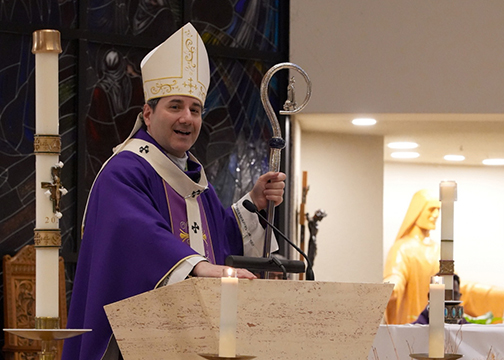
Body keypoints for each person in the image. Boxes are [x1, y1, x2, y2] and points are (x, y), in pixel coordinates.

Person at [62, 23, 286, 360]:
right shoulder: (124, 172)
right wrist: (196, 267)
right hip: (134, 344)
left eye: (195, 110)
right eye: (175, 106)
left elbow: (218, 242)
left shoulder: (194, 180)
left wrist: (252, 203)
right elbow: (136, 235)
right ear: (148, 114)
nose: (187, 118)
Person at [384, 189, 441, 324]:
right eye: (431, 209)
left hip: (434, 324)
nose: (436, 215)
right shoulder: (403, 247)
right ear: (418, 211)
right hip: (409, 323)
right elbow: (396, 276)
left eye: (438, 210)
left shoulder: (437, 249)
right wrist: (389, 287)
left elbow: (453, 283)